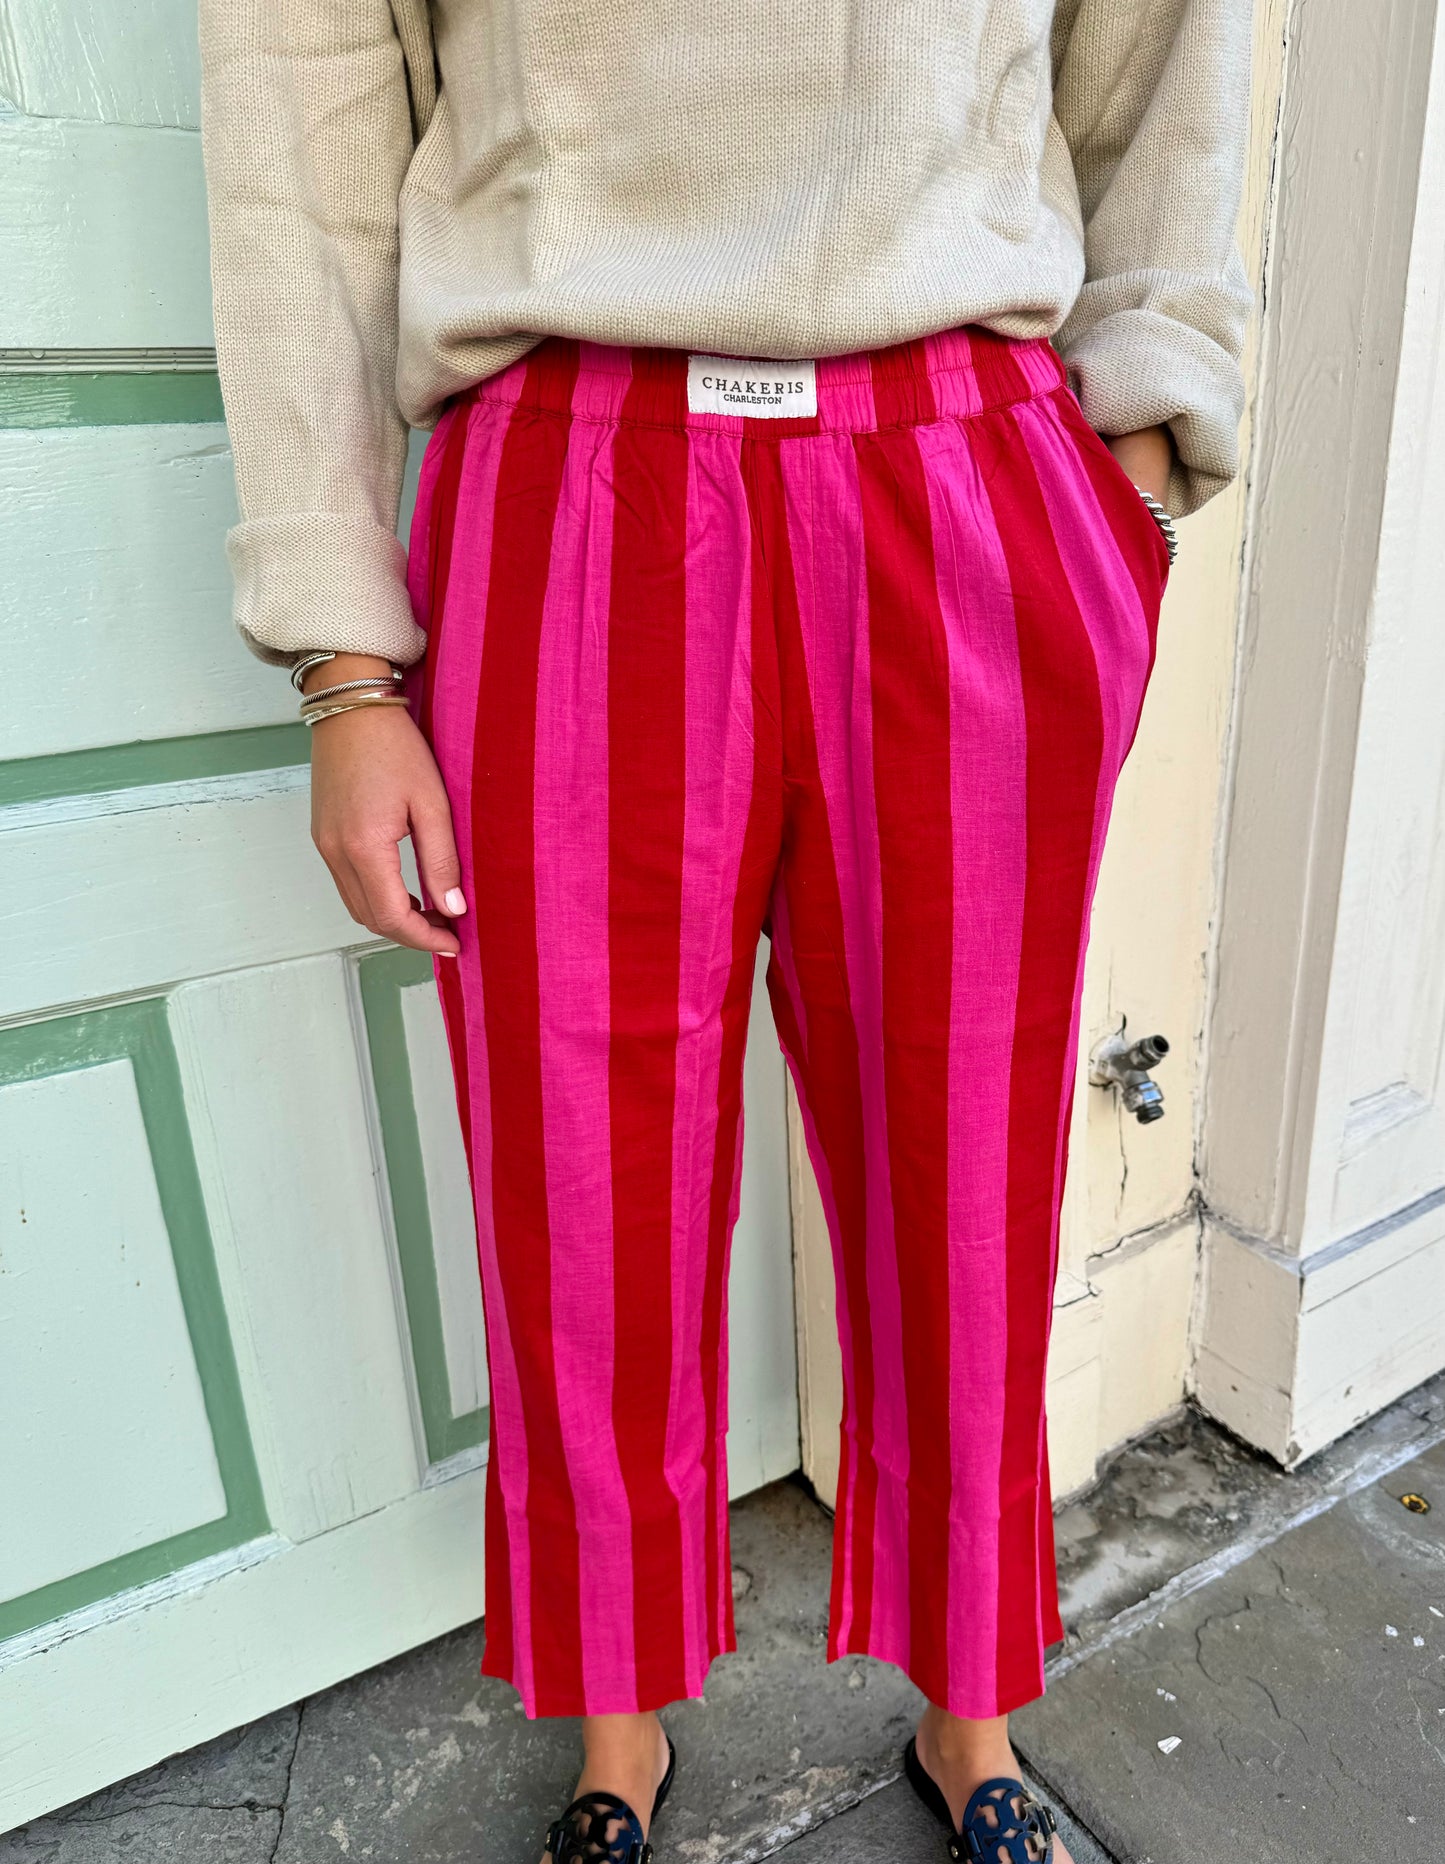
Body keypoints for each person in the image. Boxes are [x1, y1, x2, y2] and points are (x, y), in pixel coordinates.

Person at [198, 3, 1251, 1858]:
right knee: (575, 1176)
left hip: (962, 480)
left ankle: (973, 1712)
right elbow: (302, 124)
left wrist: (1141, 466)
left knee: (965, 1157)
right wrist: (343, 658)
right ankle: (616, 1734)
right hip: (563, 479)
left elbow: (1164, 56)